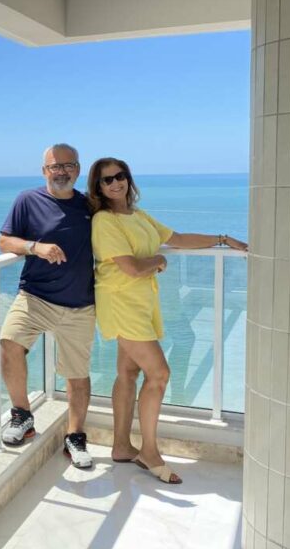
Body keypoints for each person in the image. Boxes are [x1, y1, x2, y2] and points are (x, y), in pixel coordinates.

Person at [87, 157, 247, 484]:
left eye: (120, 176)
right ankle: (149, 450)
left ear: (128, 179)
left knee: (128, 372)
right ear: (98, 187)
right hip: (121, 303)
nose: (116, 183)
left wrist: (222, 238)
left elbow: (178, 238)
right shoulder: (104, 221)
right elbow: (132, 267)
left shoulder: (138, 216)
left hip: (140, 302)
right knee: (159, 374)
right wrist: (158, 260)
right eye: (107, 180)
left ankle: (121, 446)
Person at [0, 144, 96, 468]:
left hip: (80, 304)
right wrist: (34, 247)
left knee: (77, 374)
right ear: (44, 171)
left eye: (68, 165)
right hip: (35, 297)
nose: (61, 171)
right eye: (55, 166)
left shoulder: (90, 205)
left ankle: (75, 437)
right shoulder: (27, 200)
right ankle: (22, 415)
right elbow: (4, 241)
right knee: (9, 343)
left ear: (77, 169)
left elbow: (121, 232)